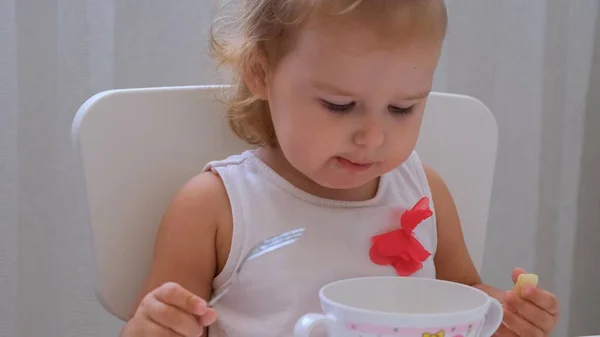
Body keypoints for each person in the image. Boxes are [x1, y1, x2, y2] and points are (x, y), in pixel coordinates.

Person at [120, 1, 559, 336]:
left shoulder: (425, 193)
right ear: (261, 73)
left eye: (402, 108)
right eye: (339, 105)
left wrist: (505, 316)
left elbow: (463, 292)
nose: (372, 137)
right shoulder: (217, 206)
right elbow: (164, 323)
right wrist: (155, 325)